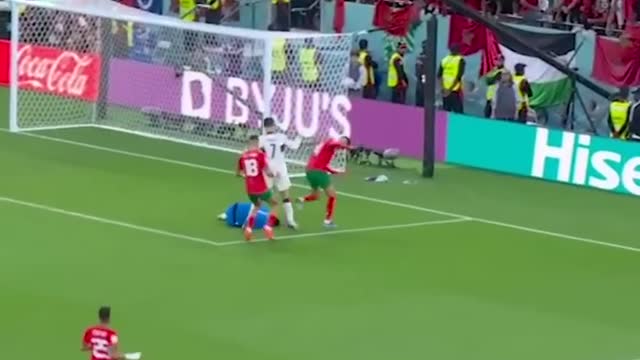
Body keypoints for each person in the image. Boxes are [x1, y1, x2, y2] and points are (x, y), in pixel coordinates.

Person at [296, 136, 353, 227]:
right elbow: (334, 144)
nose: (343, 144)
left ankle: (301, 199)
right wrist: (349, 147)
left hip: (309, 171)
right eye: (343, 141)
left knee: (315, 196)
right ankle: (328, 221)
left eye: (345, 142)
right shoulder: (331, 142)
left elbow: (322, 163)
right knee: (332, 196)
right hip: (318, 172)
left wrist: (333, 171)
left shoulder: (326, 146)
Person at [259, 117, 301, 228]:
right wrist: (299, 137)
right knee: (285, 195)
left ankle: (253, 217)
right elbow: (295, 146)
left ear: (265, 127)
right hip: (280, 169)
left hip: (267, 169)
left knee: (261, 195)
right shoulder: (281, 137)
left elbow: (256, 155)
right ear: (274, 126)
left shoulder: (261, 139)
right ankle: (290, 221)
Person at [237, 135, 278, 241]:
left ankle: (249, 229)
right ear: (257, 143)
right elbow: (268, 172)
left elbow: (238, 173)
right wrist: (274, 174)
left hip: (250, 189)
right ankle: (268, 226)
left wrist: (247, 176)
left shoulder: (243, 156)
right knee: (274, 204)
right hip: (261, 187)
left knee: (257, 205)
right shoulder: (260, 155)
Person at [438, 44, 465, 113]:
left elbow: (439, 76)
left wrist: (443, 88)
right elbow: (458, 77)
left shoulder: (444, 60)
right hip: (454, 90)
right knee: (459, 112)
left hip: (445, 91)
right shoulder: (460, 60)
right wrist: (450, 89)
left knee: (446, 111)